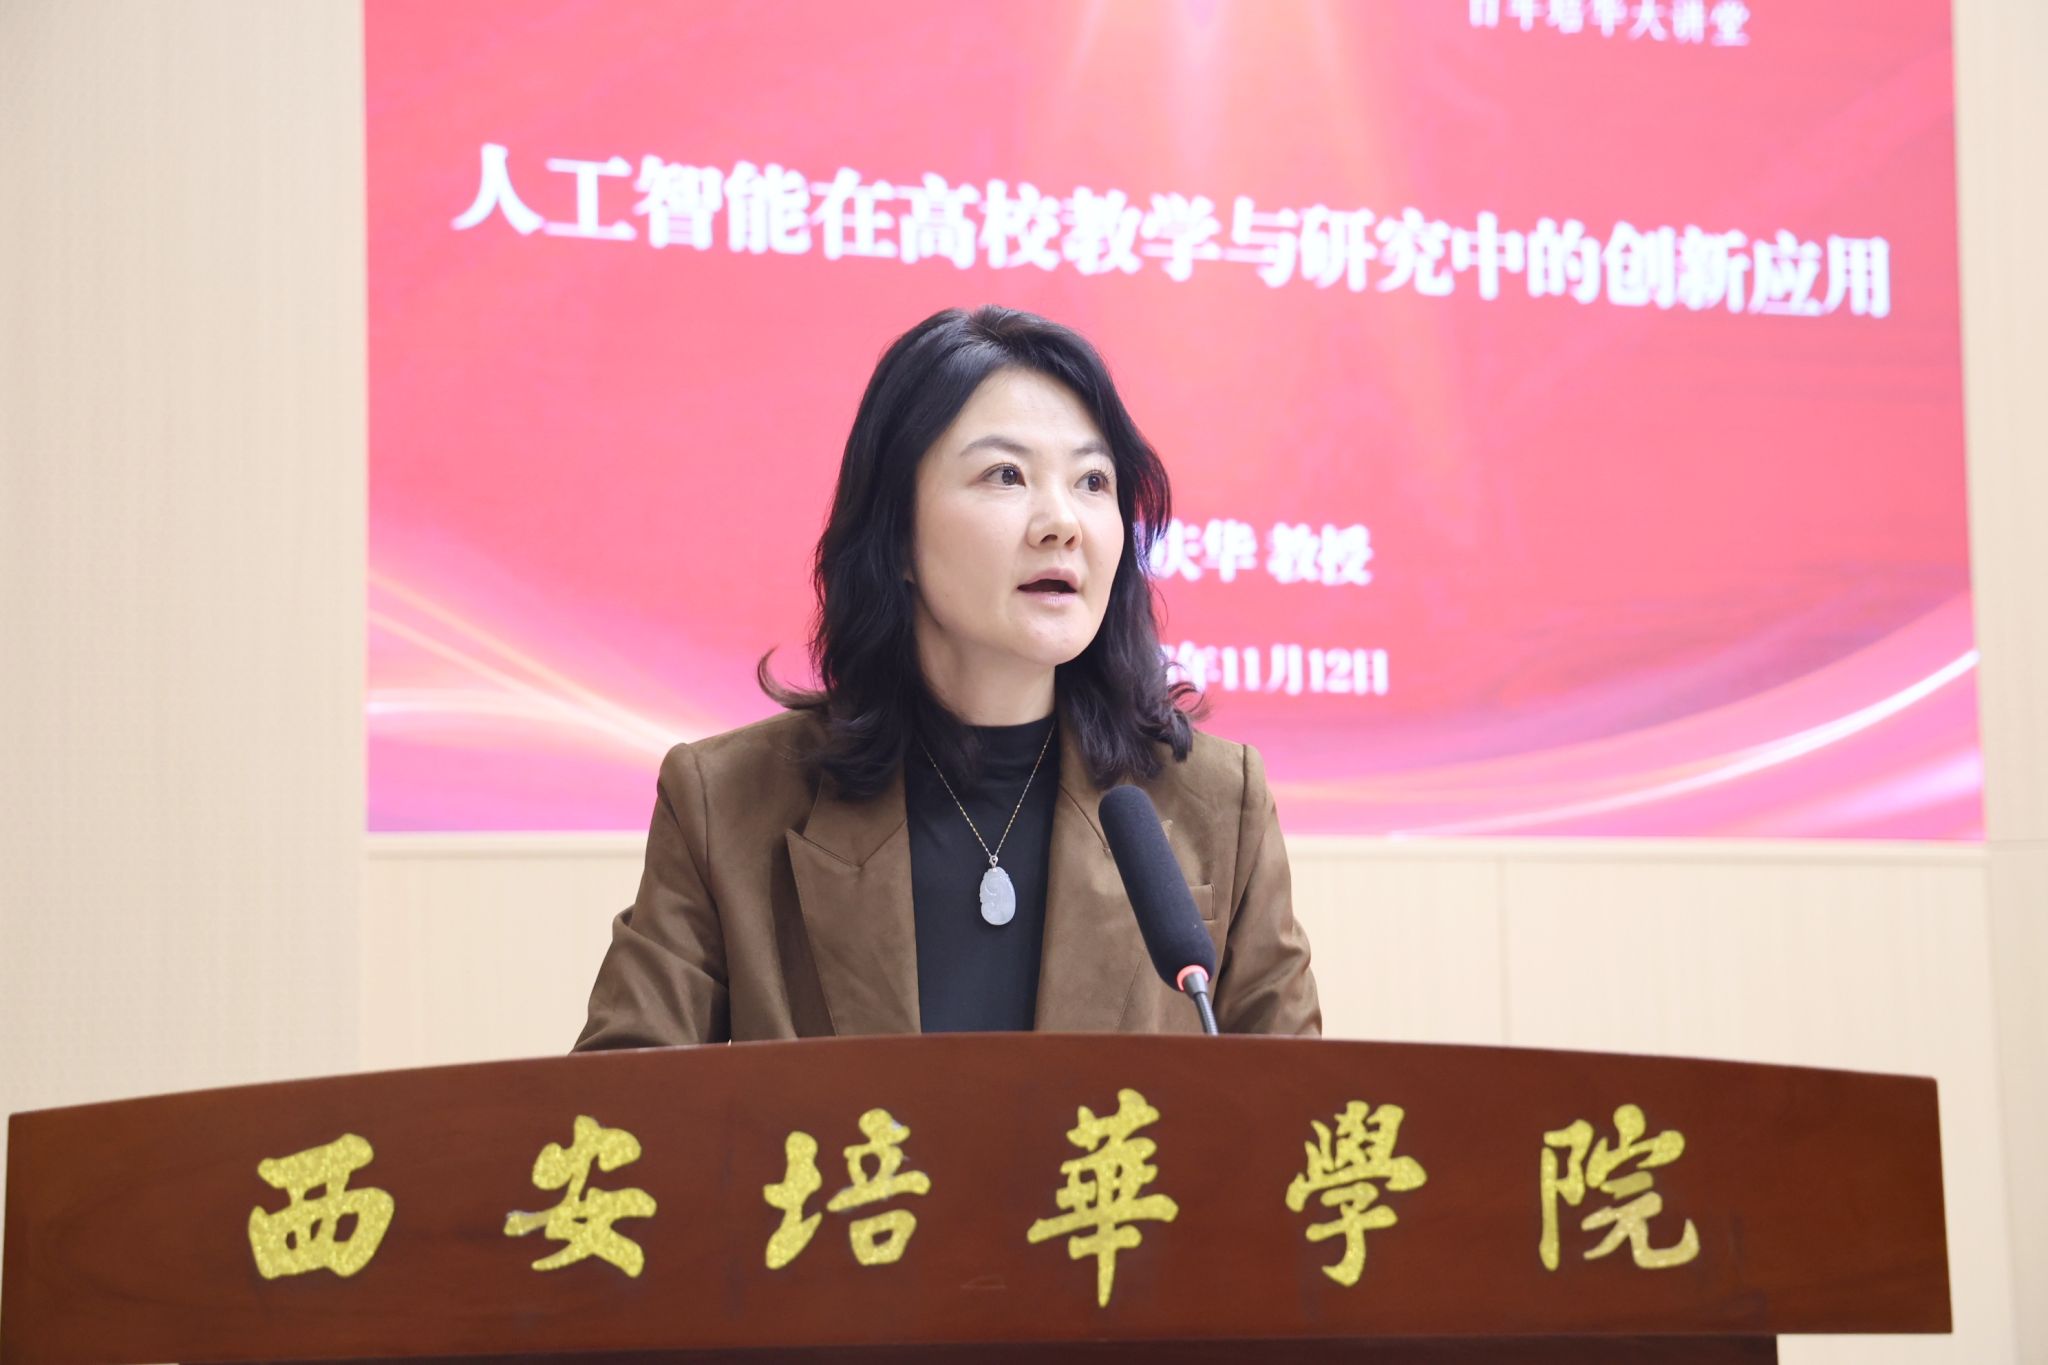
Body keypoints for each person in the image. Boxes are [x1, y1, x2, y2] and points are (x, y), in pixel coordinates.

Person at [573, 305, 1319, 1047]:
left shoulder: (1217, 803)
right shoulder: (728, 803)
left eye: (1093, 480)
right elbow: (615, 1105)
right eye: (1006, 475)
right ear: (897, 532)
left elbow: (1302, 1107)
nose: (1063, 522)